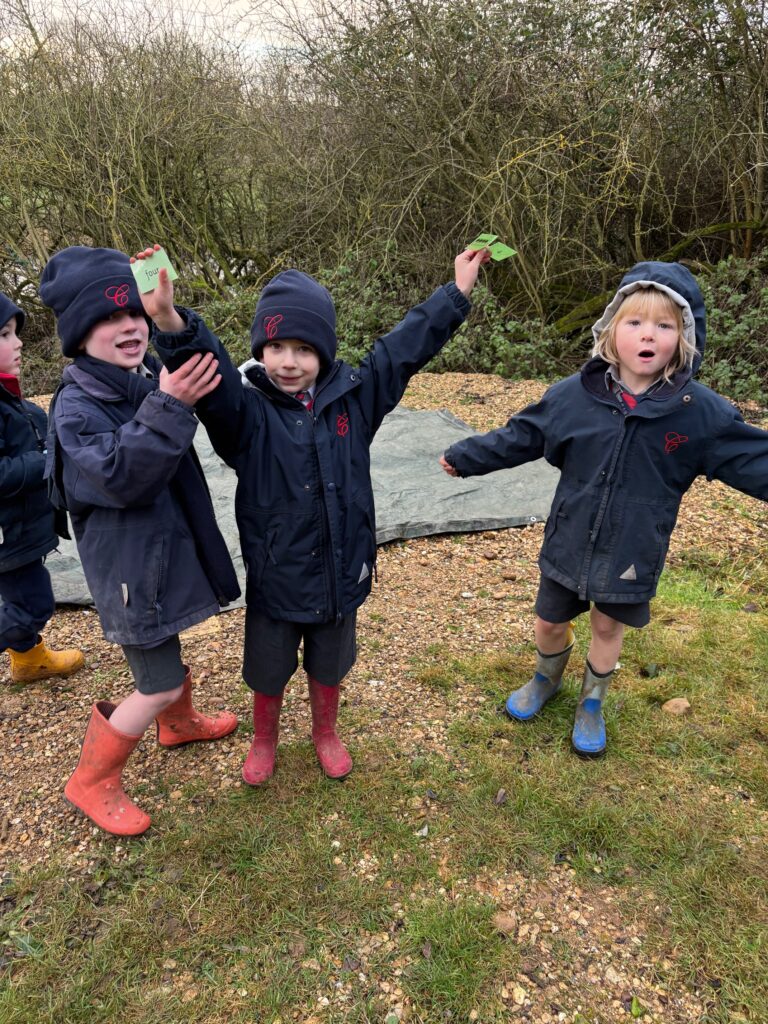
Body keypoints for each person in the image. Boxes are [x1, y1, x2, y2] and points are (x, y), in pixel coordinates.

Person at [141, 243, 488, 784]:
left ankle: (325, 732)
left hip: (340, 571)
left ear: (324, 352)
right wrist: (166, 317)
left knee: (331, 663)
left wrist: (456, 291)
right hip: (277, 576)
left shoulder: (356, 399)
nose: (287, 361)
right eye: (275, 346)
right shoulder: (246, 413)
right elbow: (207, 375)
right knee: (268, 668)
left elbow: (402, 350)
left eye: (303, 348)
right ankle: (264, 739)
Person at [440, 261, 768, 757]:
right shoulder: (573, 397)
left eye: (665, 325)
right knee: (550, 621)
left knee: (607, 625)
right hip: (569, 538)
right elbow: (522, 436)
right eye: (635, 322)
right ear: (611, 329)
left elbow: (752, 458)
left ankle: (592, 700)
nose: (648, 335)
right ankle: (546, 679)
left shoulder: (701, 414)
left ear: (684, 339)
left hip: (633, 547)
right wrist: (467, 457)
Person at [39, 246, 241, 836]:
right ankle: (92, 780)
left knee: (168, 638)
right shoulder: (76, 406)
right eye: (107, 319)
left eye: (132, 313)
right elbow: (120, 475)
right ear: (78, 335)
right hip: (128, 570)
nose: (128, 326)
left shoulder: (137, 373)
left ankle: (178, 726)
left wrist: (166, 310)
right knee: (157, 681)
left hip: (159, 552)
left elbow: (188, 372)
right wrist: (169, 406)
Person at [0, 291, 84, 683]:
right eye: (4, 335)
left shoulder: (15, 400)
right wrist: (46, 459)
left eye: (15, 333)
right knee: (32, 604)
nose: (17, 343)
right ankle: (26, 652)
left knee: (23, 595)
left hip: (22, 533)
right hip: (8, 537)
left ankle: (29, 658)